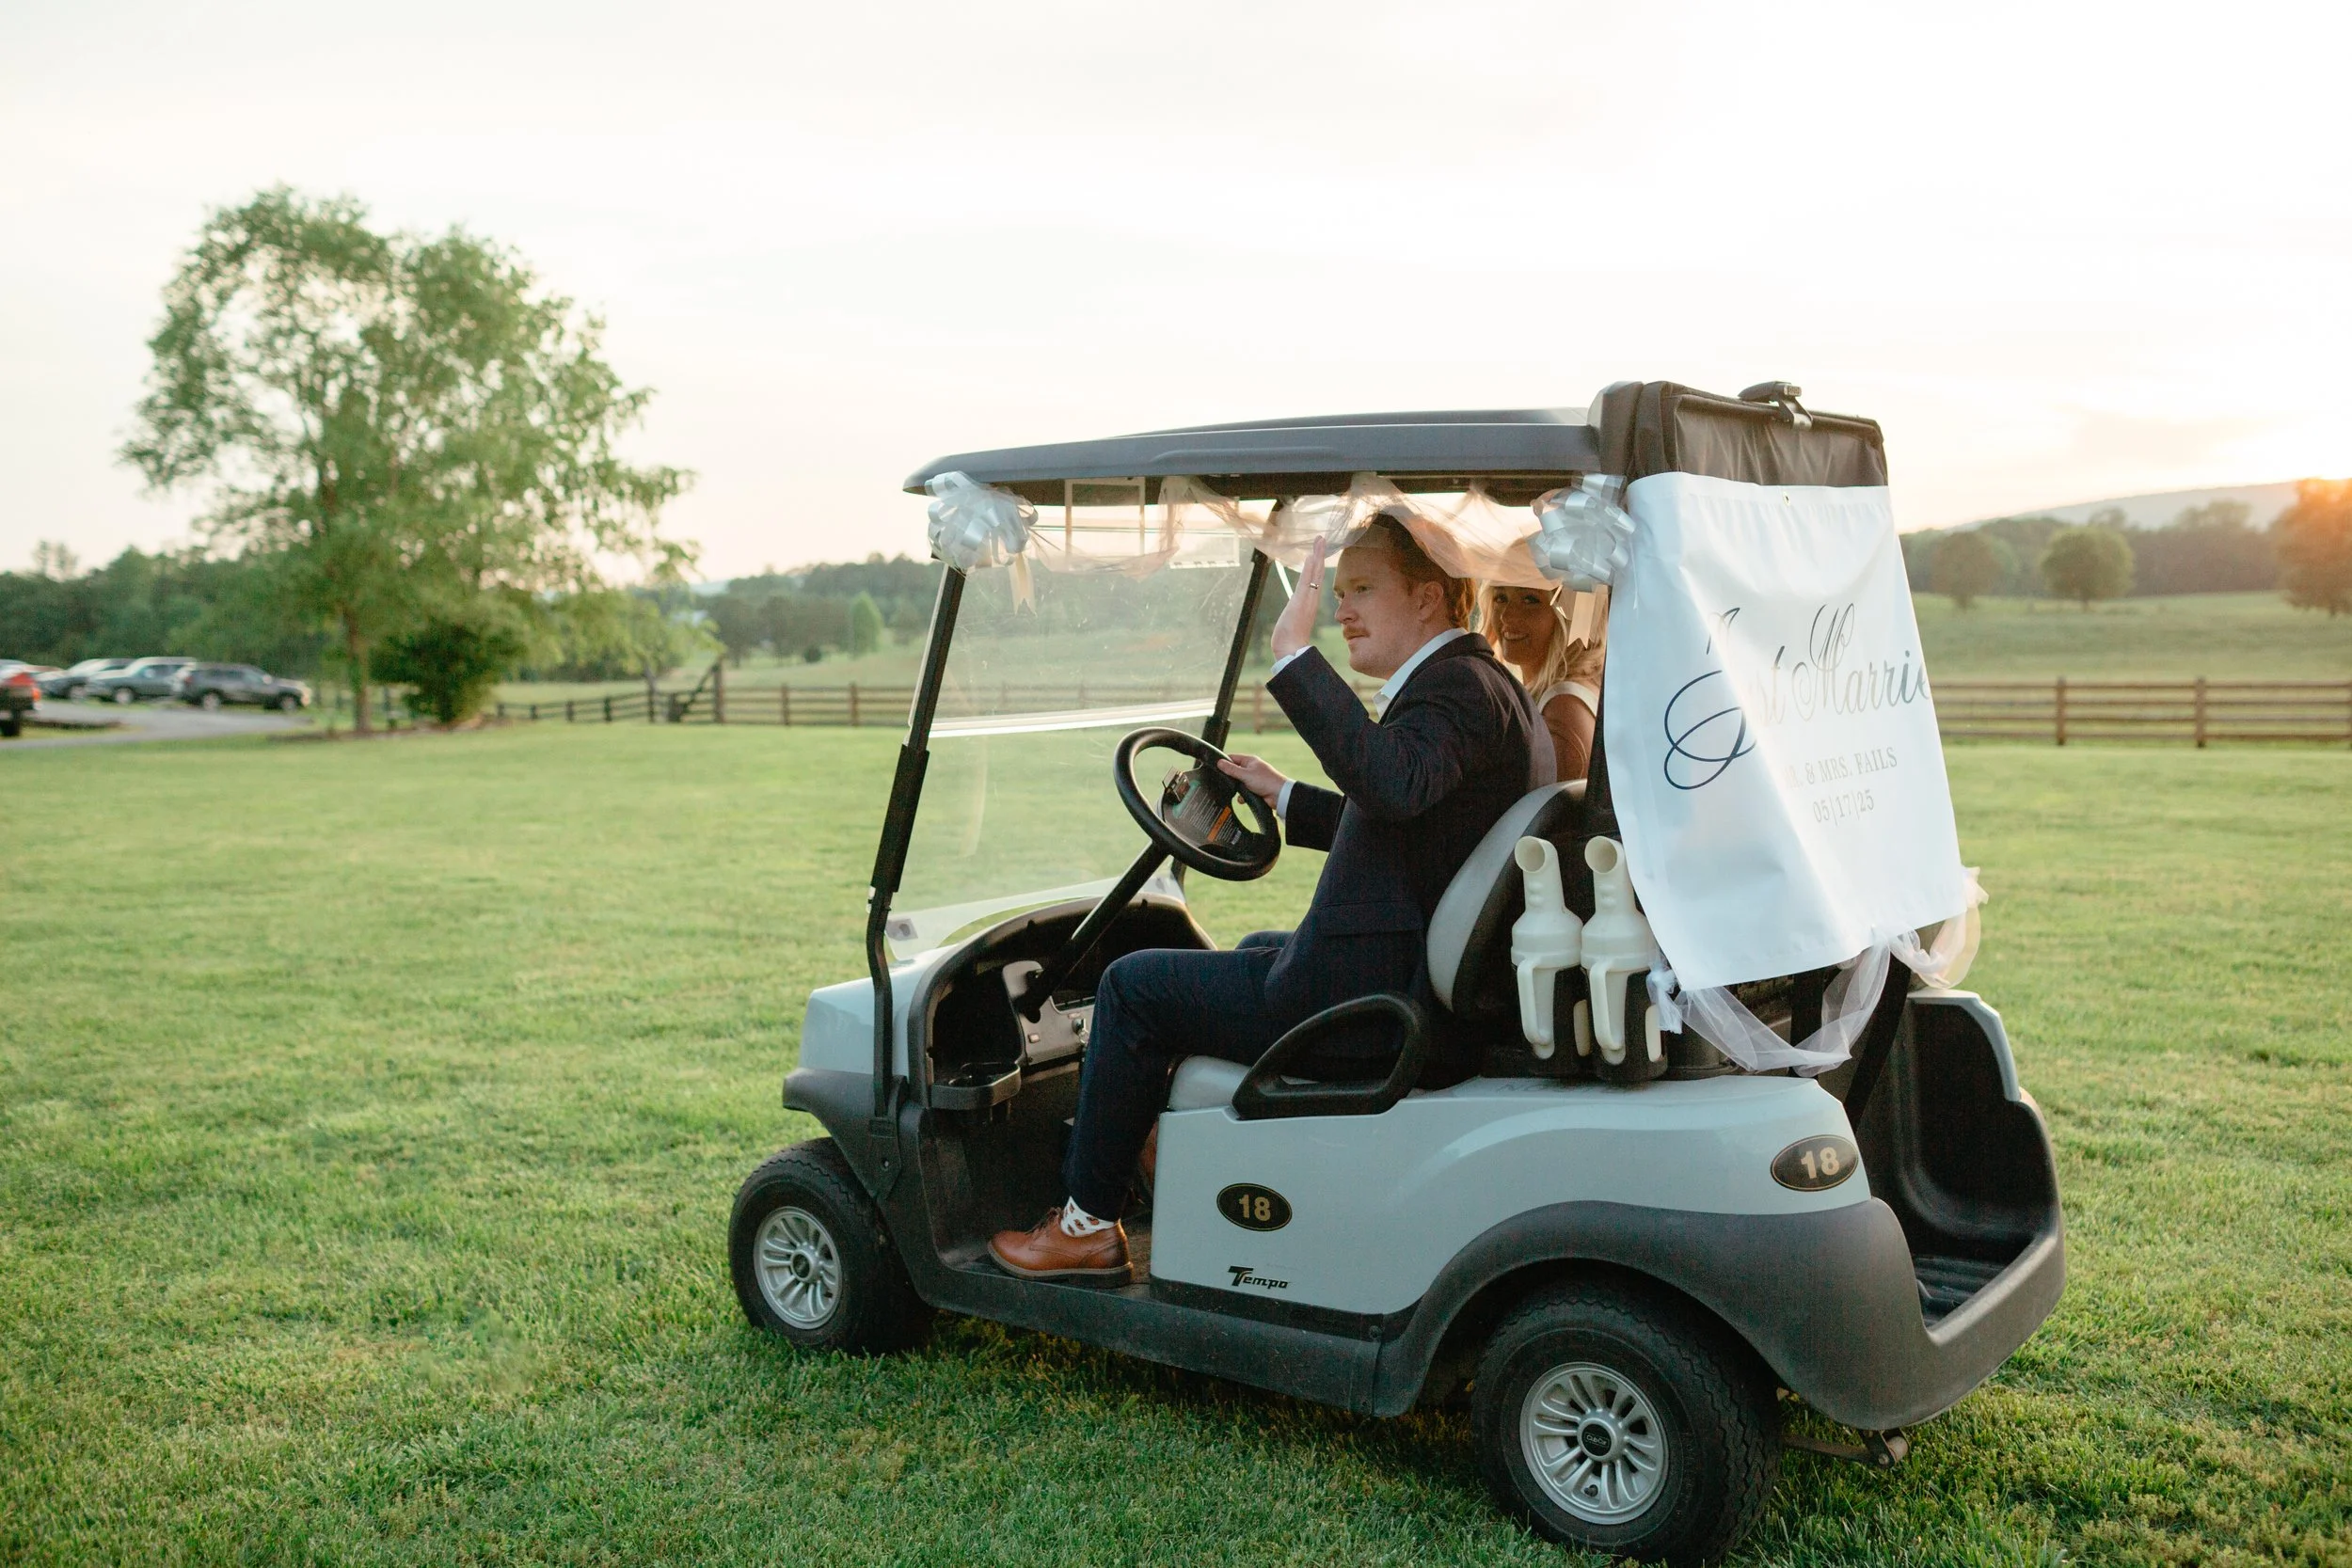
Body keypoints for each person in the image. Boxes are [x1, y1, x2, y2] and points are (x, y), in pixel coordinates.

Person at [989, 513, 1539, 1281]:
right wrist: (1284, 796)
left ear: (1428, 597)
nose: (1342, 608)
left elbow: (1392, 784)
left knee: (1131, 987)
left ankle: (1085, 1225)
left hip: (1374, 1003)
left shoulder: (1454, 690)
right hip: (1396, 977)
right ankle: (1159, 1147)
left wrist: (1293, 653)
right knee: (1250, 949)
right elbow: (1409, 815)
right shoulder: (1482, 685)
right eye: (1338, 591)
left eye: (1361, 589)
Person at [1482, 581, 1606, 784]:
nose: (1507, 616)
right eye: (1500, 598)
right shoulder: (1569, 693)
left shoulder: (1563, 706)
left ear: (1570, 615)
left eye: (1530, 600)